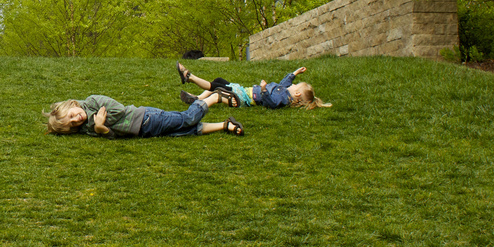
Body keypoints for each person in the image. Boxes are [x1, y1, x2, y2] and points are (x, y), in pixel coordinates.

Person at [44, 93, 244, 138]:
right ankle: (225, 125)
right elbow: (112, 135)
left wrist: (102, 119)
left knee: (187, 118)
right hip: (143, 132)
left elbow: (119, 110)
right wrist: (101, 128)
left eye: (72, 114)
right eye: (71, 124)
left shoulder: (93, 102)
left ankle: (215, 97)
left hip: (147, 118)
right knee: (185, 131)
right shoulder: (88, 128)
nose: (75, 119)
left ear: (72, 105)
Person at [177, 63, 331, 110]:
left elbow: (270, 102)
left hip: (243, 97)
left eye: (296, 85)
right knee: (218, 80)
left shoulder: (282, 98)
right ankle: (196, 98)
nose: (293, 84)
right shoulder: (284, 90)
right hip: (243, 90)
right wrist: (294, 74)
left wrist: (264, 90)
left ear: (296, 94)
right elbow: (285, 82)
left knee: (216, 87)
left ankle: (189, 77)